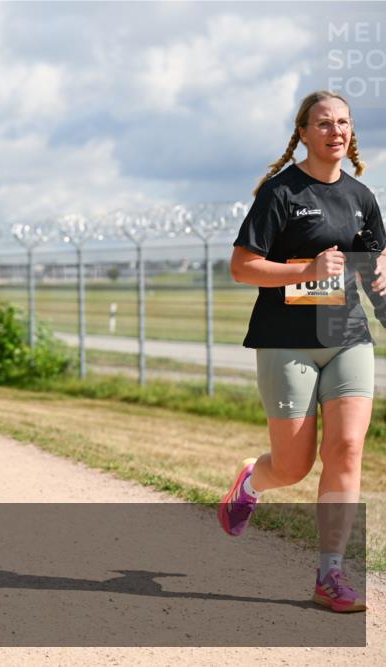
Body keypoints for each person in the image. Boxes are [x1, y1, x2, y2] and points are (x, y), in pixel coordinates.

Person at [223, 90, 386, 613]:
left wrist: (382, 270)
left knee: (347, 448)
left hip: (347, 336)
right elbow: (242, 266)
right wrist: (308, 271)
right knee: (293, 467)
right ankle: (252, 481)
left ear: (351, 132)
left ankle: (330, 574)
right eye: (323, 123)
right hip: (286, 340)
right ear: (304, 132)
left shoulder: (361, 197)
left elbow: (374, 269)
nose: (335, 130)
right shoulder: (281, 193)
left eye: (343, 122)